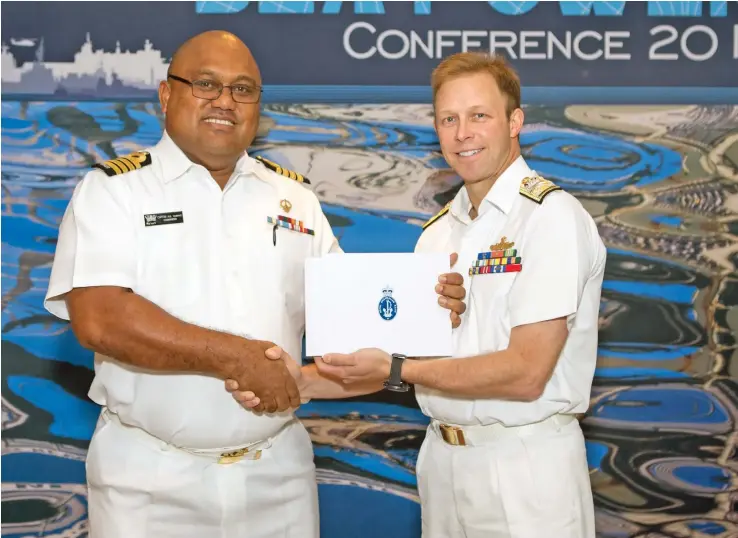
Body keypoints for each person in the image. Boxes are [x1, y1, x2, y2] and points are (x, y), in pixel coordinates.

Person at [43, 31, 468, 538]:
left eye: (243, 89)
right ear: (166, 95)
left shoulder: (295, 200)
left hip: (277, 478)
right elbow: (100, 320)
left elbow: (351, 321)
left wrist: (428, 309)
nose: (225, 100)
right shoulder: (114, 192)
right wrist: (235, 357)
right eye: (206, 84)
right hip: (149, 482)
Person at [235, 52, 606, 538]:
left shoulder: (549, 217)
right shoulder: (438, 235)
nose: (463, 133)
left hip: (525, 469)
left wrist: (395, 369)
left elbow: (526, 373)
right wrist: (297, 383)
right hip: (443, 467)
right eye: (448, 119)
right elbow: (393, 359)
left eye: (479, 116)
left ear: (515, 121)